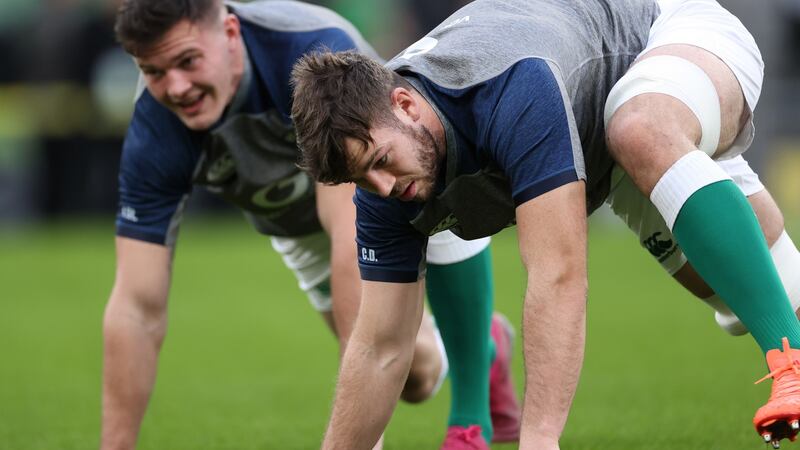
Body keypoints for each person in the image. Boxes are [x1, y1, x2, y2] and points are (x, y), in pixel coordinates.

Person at [290, 0, 800, 448]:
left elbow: (556, 273)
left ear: (405, 105)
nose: (381, 186)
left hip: (667, 34)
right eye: (363, 178)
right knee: (753, 290)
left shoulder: (508, 85)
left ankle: (789, 362)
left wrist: (538, 439)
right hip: (603, 144)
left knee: (640, 127)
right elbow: (380, 346)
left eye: (380, 161)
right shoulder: (384, 179)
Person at [101, 1, 521, 449]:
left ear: (228, 31)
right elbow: (136, 305)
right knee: (412, 379)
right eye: (154, 71)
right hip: (294, 226)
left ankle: (470, 419)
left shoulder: (307, 52)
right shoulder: (154, 128)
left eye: (187, 61)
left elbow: (349, 234)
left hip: (384, 186)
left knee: (438, 205)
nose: (176, 87)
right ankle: (484, 345)